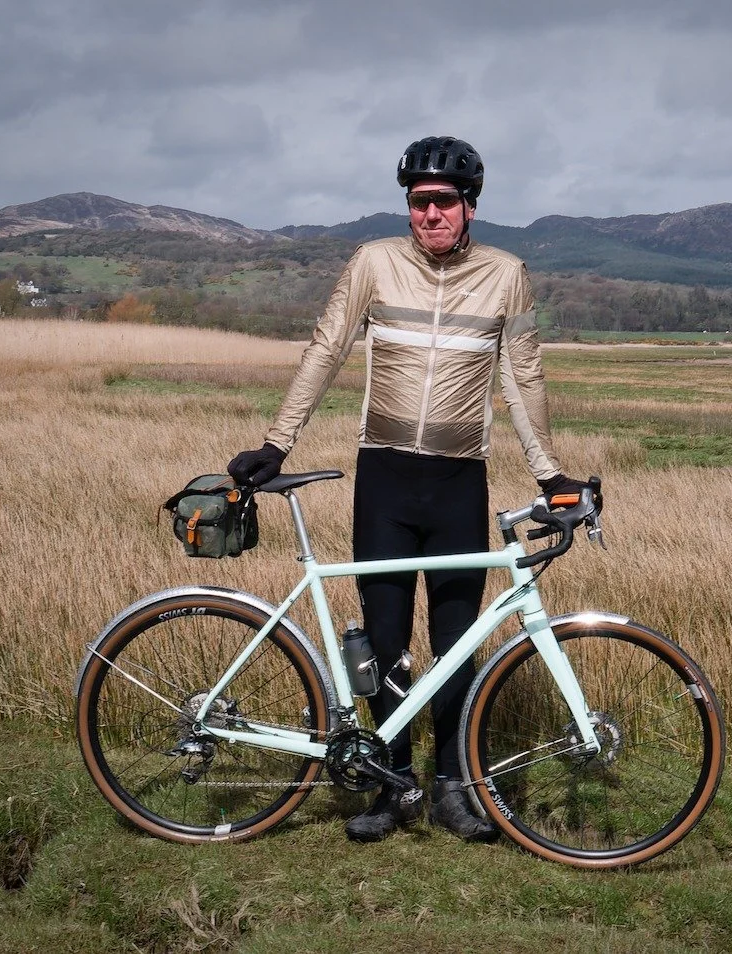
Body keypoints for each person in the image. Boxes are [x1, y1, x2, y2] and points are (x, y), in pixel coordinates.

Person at [228, 136, 592, 844]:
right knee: (388, 642)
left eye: (442, 203)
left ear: (470, 207)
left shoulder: (506, 275)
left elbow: (524, 378)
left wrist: (548, 473)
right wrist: (278, 442)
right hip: (385, 479)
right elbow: (327, 348)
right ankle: (390, 784)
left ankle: (454, 787)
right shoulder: (373, 263)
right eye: (418, 202)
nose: (428, 215)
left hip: (459, 481)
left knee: (457, 644)